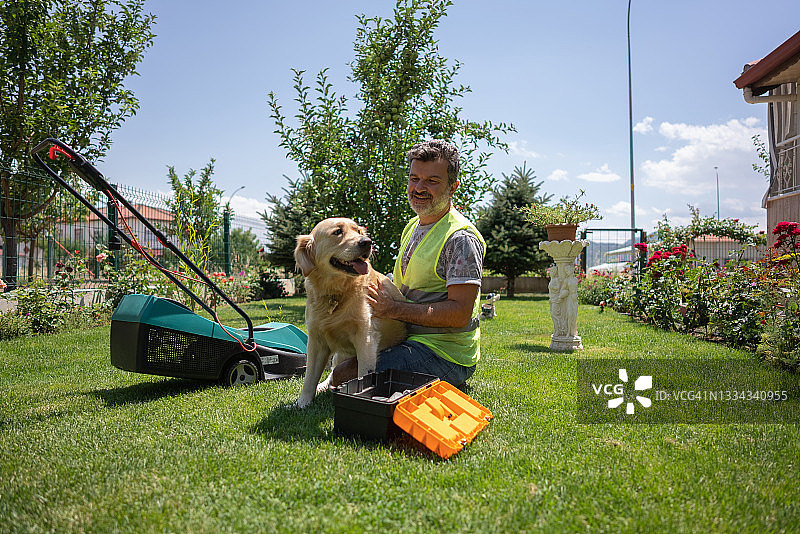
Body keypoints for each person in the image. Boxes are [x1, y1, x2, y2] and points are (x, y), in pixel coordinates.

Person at [332, 139, 485, 386]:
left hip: (445, 355)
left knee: (344, 376)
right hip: (406, 338)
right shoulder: (413, 226)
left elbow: (459, 314)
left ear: (453, 187)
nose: (419, 188)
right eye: (414, 178)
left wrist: (393, 309)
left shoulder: (460, 238)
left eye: (432, 181)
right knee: (342, 360)